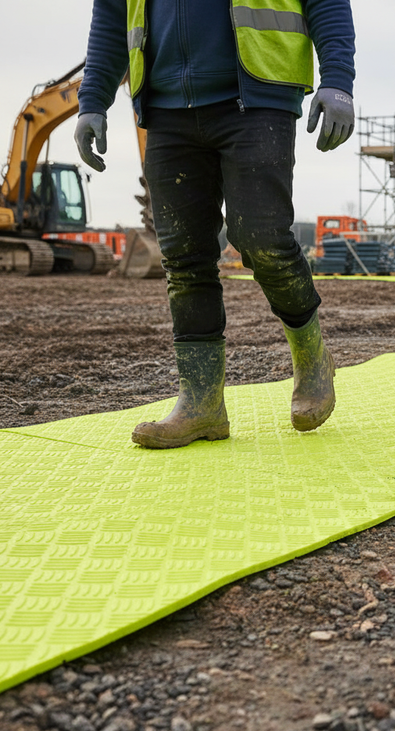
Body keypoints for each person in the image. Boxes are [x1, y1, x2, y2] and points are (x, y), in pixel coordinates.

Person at [75, 0, 356, 448]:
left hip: (258, 95)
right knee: (184, 258)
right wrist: (93, 100)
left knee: (262, 240)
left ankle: (312, 356)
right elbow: (111, 17)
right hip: (166, 107)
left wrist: (338, 80)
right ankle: (201, 403)